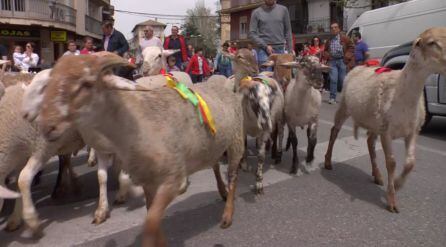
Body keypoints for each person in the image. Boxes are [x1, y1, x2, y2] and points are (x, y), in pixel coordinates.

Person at [249, 0, 293, 71]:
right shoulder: (256, 12)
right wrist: (265, 46)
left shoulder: (283, 10)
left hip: (280, 50)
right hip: (263, 51)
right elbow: (252, 33)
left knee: (281, 79)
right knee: (265, 79)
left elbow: (288, 31)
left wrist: (290, 51)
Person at [323, 22, 355, 104]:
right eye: (332, 28)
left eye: (335, 27)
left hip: (342, 61)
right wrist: (327, 55)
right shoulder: (329, 40)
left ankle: (345, 98)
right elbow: (325, 50)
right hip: (332, 61)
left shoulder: (345, 38)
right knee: (333, 80)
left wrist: (347, 56)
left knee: (342, 80)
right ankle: (332, 98)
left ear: (338, 29)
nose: (333, 29)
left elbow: (351, 47)